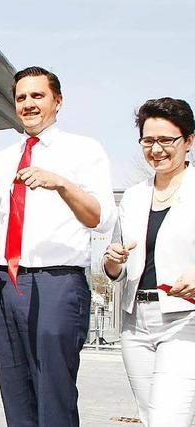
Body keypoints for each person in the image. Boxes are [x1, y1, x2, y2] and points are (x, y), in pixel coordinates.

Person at [0, 66, 116, 426]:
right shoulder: (3, 160)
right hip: (7, 285)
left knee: (54, 393)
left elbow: (100, 218)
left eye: (37, 95)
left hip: (57, 283)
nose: (28, 104)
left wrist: (62, 185)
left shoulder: (84, 150)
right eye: (21, 97)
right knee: (15, 392)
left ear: (58, 100)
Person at [103, 98, 195, 426]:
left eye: (166, 140)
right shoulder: (134, 196)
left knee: (169, 419)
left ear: (189, 141)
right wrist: (112, 261)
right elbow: (117, 268)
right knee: (149, 415)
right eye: (148, 140)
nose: (156, 149)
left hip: (185, 320)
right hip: (135, 321)